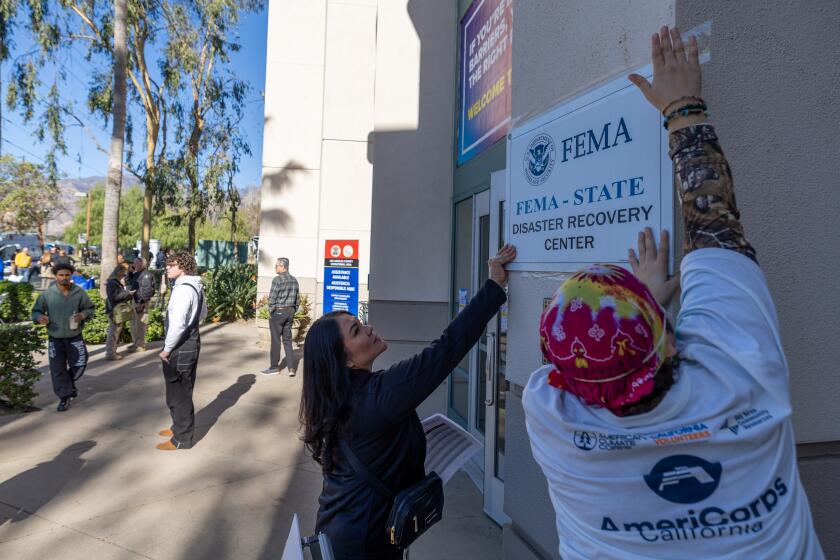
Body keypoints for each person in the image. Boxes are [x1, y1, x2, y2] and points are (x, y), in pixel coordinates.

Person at [522, 26, 824, 559]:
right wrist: (682, 105)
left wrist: (649, 302)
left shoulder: (551, 419)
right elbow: (715, 227)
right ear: (664, 340)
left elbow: (582, 371)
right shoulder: (739, 368)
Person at [301, 245, 516, 559]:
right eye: (357, 331)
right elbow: (445, 350)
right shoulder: (379, 395)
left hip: (340, 535)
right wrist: (495, 286)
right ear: (344, 360)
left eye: (361, 322)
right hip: (363, 545)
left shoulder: (341, 398)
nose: (370, 329)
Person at [157, 250, 207, 451]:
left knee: (179, 392)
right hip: (191, 341)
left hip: (181, 345)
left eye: (172, 265)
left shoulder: (183, 290)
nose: (167, 268)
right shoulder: (195, 285)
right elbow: (203, 313)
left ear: (183, 267)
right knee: (182, 389)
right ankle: (178, 426)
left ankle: (181, 438)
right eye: (167, 264)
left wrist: (167, 349)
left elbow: (177, 324)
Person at [31, 263, 94, 411]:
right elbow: (36, 311)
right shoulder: (47, 294)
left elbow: (90, 308)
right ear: (55, 276)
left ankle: (69, 386)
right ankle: (64, 397)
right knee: (57, 369)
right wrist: (40, 317)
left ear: (71, 276)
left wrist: (82, 315)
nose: (64, 278)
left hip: (75, 337)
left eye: (67, 275)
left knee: (80, 363)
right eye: (61, 275)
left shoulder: (79, 292)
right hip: (55, 337)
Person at [262, 257, 300, 376]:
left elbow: (272, 298)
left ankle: (274, 367)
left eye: (277, 266)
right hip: (290, 312)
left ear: (283, 267)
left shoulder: (277, 280)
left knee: (276, 341)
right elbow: (297, 299)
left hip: (278, 312)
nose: (275, 267)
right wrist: (293, 310)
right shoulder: (294, 280)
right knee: (288, 341)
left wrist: (271, 311)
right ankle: (291, 368)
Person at [105, 265, 134, 360]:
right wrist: (127, 293)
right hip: (114, 311)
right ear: (119, 273)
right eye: (123, 273)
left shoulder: (113, 282)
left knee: (115, 331)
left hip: (115, 310)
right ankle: (110, 353)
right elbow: (113, 297)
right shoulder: (112, 283)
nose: (124, 276)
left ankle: (112, 351)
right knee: (114, 332)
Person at [126, 257, 155, 352]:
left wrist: (142, 303)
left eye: (136, 263)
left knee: (141, 324)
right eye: (133, 263)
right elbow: (129, 282)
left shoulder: (146, 275)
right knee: (134, 324)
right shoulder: (137, 274)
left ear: (142, 264)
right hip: (135, 300)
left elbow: (147, 290)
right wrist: (130, 272)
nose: (134, 265)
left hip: (141, 302)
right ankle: (136, 343)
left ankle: (140, 345)